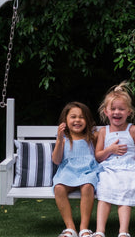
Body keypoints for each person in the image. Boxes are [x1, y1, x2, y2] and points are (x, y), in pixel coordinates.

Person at [92, 81, 135, 237]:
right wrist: (110, 150)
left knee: (125, 193)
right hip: (109, 169)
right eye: (113, 109)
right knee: (103, 192)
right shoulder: (104, 132)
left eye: (121, 109)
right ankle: (99, 231)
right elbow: (98, 156)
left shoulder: (133, 130)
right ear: (106, 112)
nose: (117, 112)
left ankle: (123, 231)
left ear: (129, 112)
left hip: (129, 169)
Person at [52, 101, 99, 237]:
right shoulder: (63, 138)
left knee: (88, 186)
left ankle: (84, 228)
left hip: (87, 171)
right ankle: (70, 228)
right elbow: (56, 160)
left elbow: (115, 130)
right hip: (68, 172)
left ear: (87, 120)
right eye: (73, 117)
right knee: (59, 188)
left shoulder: (92, 136)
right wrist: (60, 140)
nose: (77, 120)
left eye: (82, 117)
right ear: (65, 120)